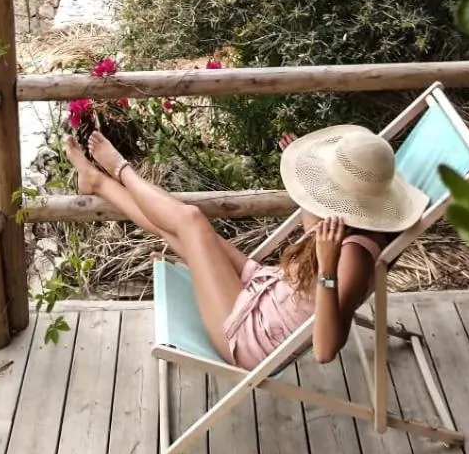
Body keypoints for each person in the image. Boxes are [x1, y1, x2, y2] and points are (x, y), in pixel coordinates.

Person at [65, 121, 428, 371]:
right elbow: (311, 228)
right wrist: (310, 188)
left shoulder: (353, 256)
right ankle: (96, 181)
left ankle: (119, 169)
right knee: (182, 233)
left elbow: (325, 350)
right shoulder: (343, 222)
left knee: (190, 222)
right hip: (264, 291)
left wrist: (328, 267)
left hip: (249, 337)